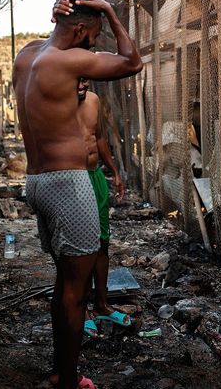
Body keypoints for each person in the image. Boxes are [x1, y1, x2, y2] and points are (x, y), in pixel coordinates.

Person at [12, 0, 141, 389]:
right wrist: (109, 11)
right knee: (75, 290)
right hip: (69, 184)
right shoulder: (69, 61)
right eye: (93, 35)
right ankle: (67, 380)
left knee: (64, 284)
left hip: (37, 182)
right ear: (81, 29)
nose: (93, 45)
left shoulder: (27, 56)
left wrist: (70, 19)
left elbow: (55, 37)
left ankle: (60, 371)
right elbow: (132, 62)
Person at [75, 78, 129, 337]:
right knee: (80, 248)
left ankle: (101, 304)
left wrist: (114, 172)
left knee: (102, 242)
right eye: (77, 77)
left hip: (95, 176)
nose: (82, 83)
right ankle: (81, 309)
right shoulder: (57, 104)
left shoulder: (94, 100)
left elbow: (99, 139)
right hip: (74, 179)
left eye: (86, 78)